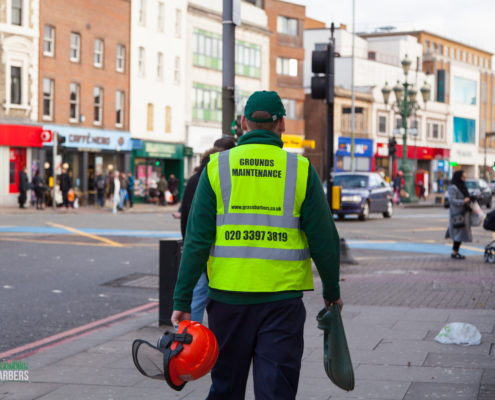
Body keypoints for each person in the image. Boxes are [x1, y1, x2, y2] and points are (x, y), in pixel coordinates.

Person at [171, 90, 342, 399]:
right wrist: (332, 292)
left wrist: (182, 301)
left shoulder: (216, 168)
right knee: (276, 389)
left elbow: (195, 241)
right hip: (281, 303)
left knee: (225, 387)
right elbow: (325, 241)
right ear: (282, 125)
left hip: (227, 302)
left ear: (242, 123)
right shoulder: (300, 170)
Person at [180, 138, 237, 323]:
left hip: (199, 251)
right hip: (218, 253)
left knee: (196, 300)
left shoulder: (196, 176)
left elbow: (187, 215)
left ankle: (190, 341)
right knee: (216, 301)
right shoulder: (221, 176)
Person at [447, 170, 472, 259]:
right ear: (458, 177)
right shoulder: (453, 187)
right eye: (463, 177)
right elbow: (452, 201)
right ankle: (454, 252)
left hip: (463, 213)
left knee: (460, 234)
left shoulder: (462, 186)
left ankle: (455, 252)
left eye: (465, 177)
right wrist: (463, 201)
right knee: (458, 233)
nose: (464, 179)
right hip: (457, 214)